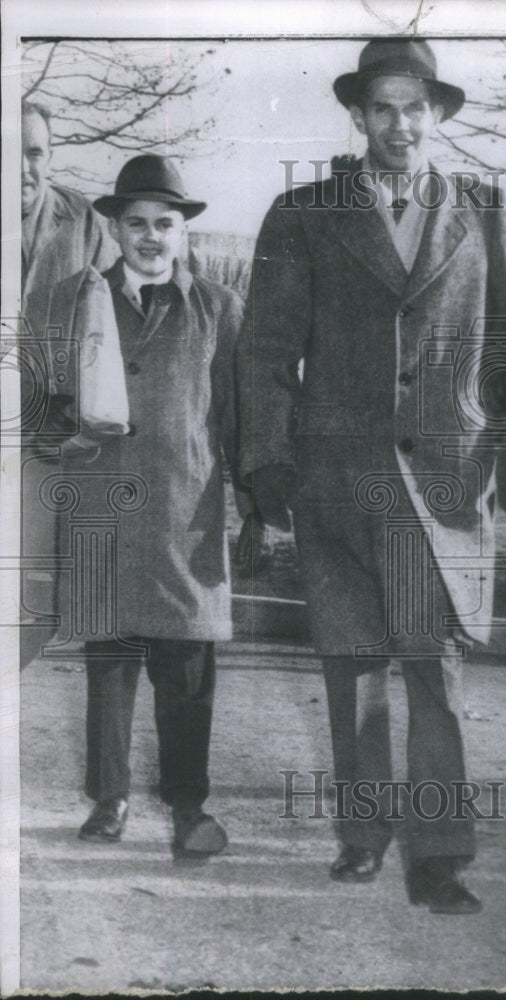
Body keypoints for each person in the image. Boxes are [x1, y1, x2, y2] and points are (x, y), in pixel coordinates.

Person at [237, 38, 506, 913]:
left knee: (432, 670)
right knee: (352, 662)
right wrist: (267, 464)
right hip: (336, 476)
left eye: (415, 107)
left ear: (436, 114)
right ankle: (362, 837)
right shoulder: (302, 213)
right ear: (357, 116)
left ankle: (439, 856)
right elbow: (263, 352)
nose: (399, 124)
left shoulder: (484, 209)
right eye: (382, 108)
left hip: (445, 477)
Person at [46, 154, 244, 856]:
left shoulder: (219, 308)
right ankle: (111, 800)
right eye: (137, 224)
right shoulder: (76, 299)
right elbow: (42, 400)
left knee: (187, 673)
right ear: (115, 228)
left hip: (186, 515)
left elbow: (238, 416)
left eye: (165, 224)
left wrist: (251, 505)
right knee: (111, 664)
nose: (151, 237)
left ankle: (188, 808)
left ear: (182, 231)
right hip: (104, 510)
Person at [19, 101, 115, 668]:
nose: (24, 168)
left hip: (45, 453)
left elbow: (118, 322)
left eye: (35, 152)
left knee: (35, 612)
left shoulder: (83, 223)